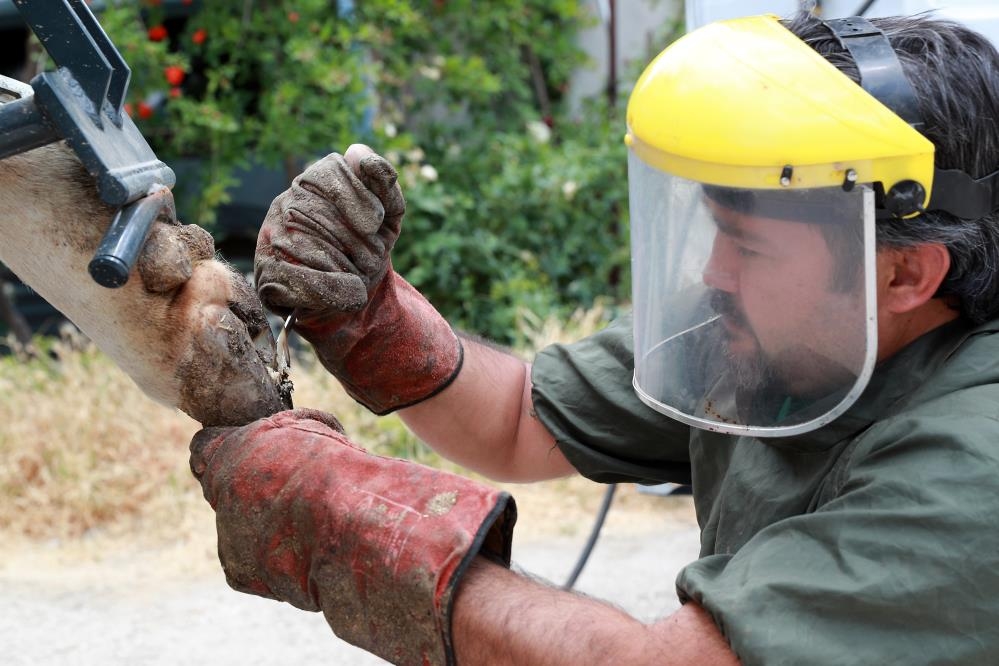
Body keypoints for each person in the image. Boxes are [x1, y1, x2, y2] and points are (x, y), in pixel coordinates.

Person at [188, 10, 999, 665]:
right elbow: (516, 421)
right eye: (715, 233)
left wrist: (363, 528)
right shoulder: (775, 330)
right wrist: (373, 319)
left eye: (748, 247)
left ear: (903, 274)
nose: (713, 272)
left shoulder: (974, 468)